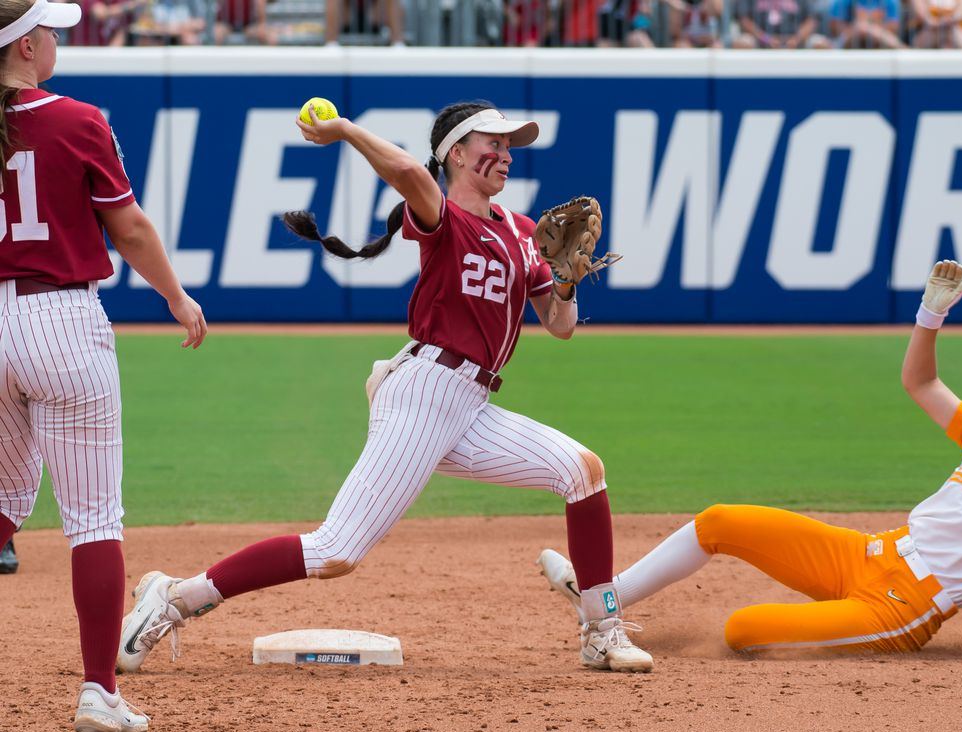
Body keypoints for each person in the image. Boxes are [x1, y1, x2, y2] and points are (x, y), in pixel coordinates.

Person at [117, 100, 653, 678]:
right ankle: (173, 598)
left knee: (582, 471)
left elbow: (561, 326)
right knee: (335, 551)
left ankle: (601, 631)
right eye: (491, 143)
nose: (505, 153)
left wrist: (569, 282)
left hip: (472, 403)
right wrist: (344, 129)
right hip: (424, 393)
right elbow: (408, 175)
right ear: (456, 154)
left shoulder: (524, 233)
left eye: (509, 144)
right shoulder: (443, 214)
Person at [538, 261, 962, 663]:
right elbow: (922, 385)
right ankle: (605, 598)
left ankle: (613, 604)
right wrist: (930, 315)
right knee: (719, 522)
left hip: (901, 612)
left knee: (742, 630)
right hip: (870, 554)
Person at [0, 0, 207, 732]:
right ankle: (98, 693)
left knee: (3, 506)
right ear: (25, 46)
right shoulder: (76, 118)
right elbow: (131, 228)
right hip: (60, 319)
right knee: (92, 521)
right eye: (49, 30)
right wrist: (178, 299)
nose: (57, 38)